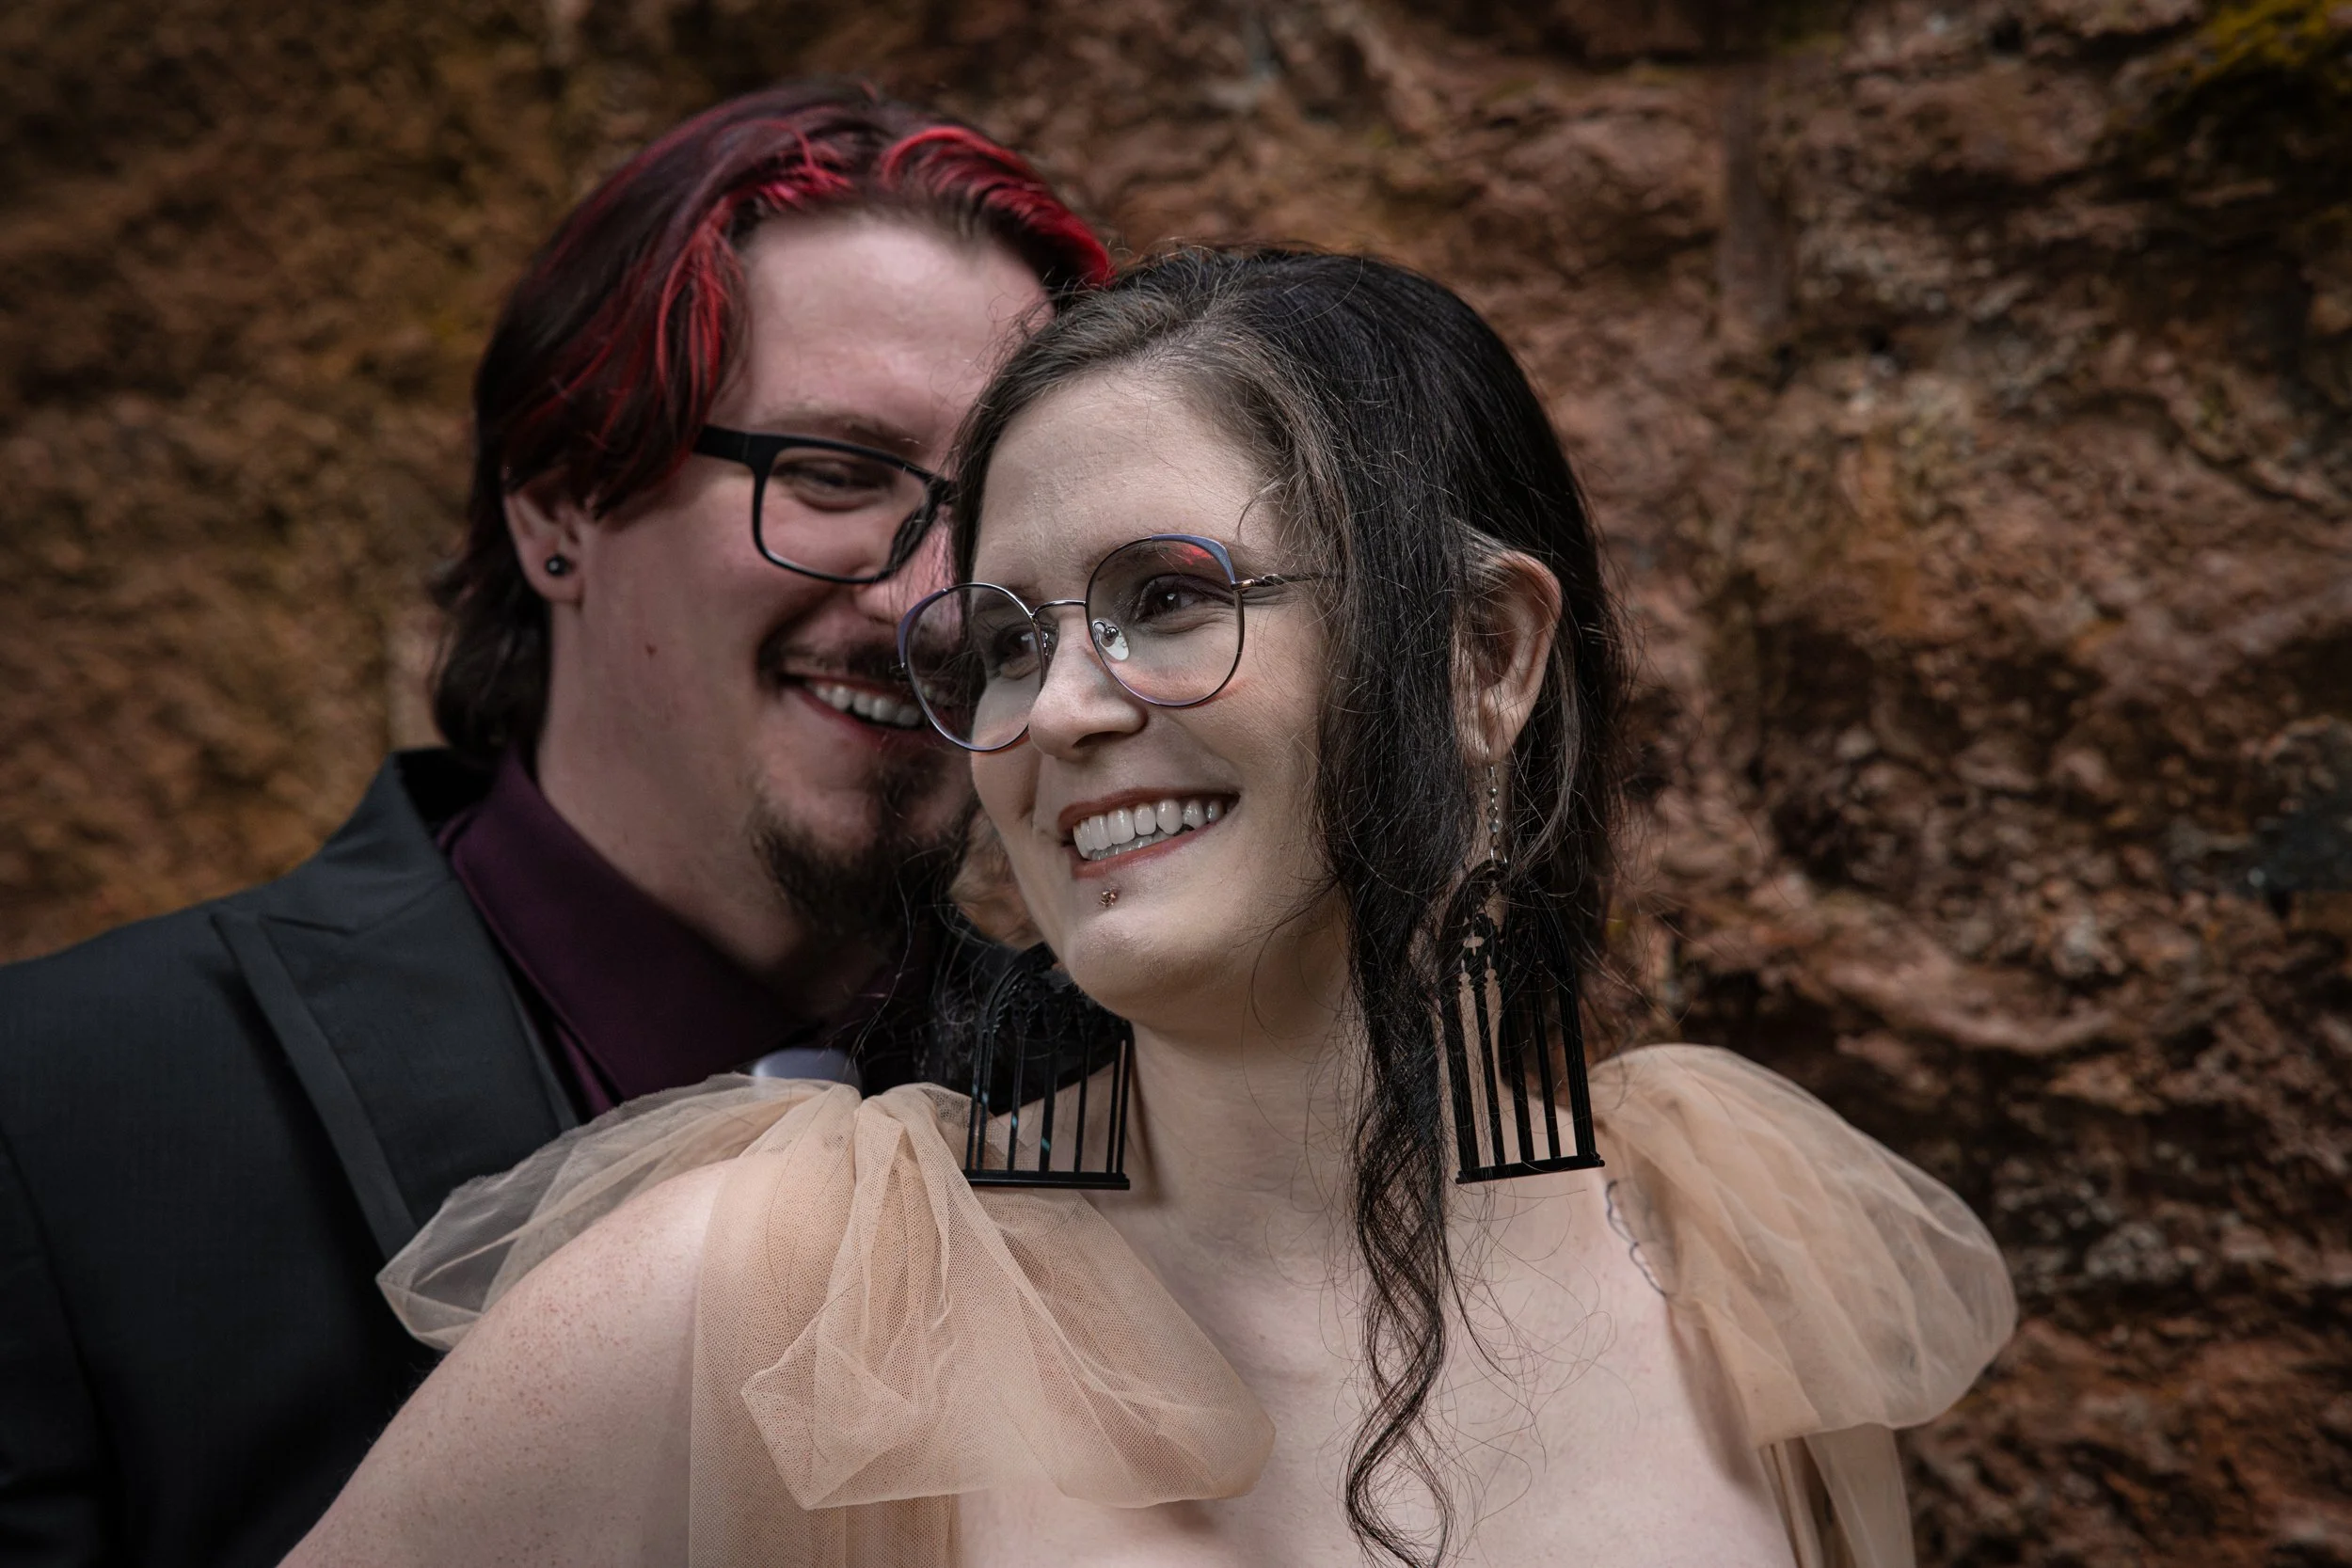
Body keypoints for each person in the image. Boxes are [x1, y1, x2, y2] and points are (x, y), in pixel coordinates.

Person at [285, 248, 2015, 1568]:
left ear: (1485, 655)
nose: (1055, 716)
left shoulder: (1731, 1273)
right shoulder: (767, 1298)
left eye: (1167, 599)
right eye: (1010, 641)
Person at [0, 82, 1108, 1567]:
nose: (933, 602)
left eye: (1006, 509)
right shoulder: (57, 1115)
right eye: (836, 473)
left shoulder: (1139, 1101)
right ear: (559, 503)